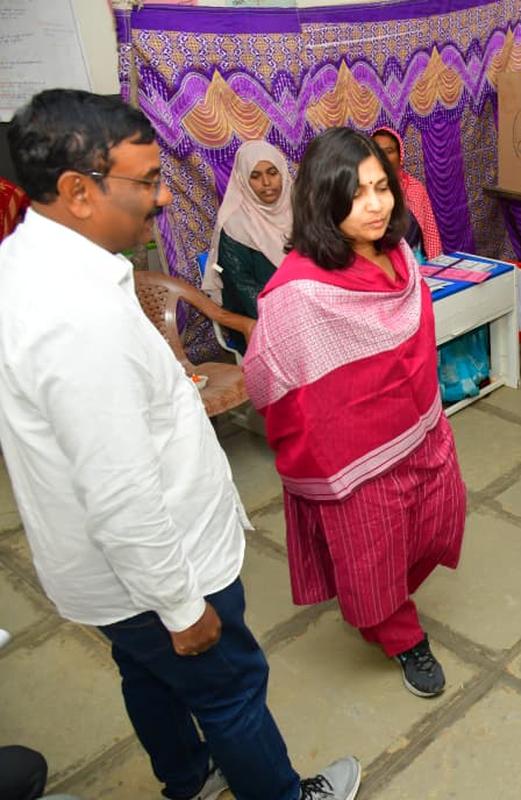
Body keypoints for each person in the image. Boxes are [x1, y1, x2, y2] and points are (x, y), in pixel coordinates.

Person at [0, 90, 360, 800]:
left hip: (107, 577)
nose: (163, 199)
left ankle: (189, 778)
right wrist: (181, 606)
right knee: (228, 690)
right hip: (162, 570)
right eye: (146, 181)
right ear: (77, 191)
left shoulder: (24, 264)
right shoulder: (77, 320)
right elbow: (118, 490)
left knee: (149, 676)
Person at [244, 127, 466, 698]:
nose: (375, 204)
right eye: (356, 193)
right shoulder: (298, 291)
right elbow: (267, 374)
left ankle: (381, 600)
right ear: (323, 199)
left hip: (421, 426)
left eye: (381, 187)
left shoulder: (399, 253)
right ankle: (398, 632)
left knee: (440, 518)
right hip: (356, 457)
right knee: (373, 557)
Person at [200, 140, 292, 319]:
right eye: (255, 176)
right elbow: (242, 287)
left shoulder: (300, 211)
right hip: (257, 317)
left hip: (303, 307)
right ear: (242, 180)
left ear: (283, 173)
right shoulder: (234, 226)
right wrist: (284, 318)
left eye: (273, 173)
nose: (266, 182)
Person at [371, 126, 443, 260]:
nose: (383, 157)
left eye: (389, 151)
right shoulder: (367, 192)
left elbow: (429, 232)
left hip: (417, 263)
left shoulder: (414, 188)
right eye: (377, 151)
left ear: (400, 155)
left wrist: (435, 266)